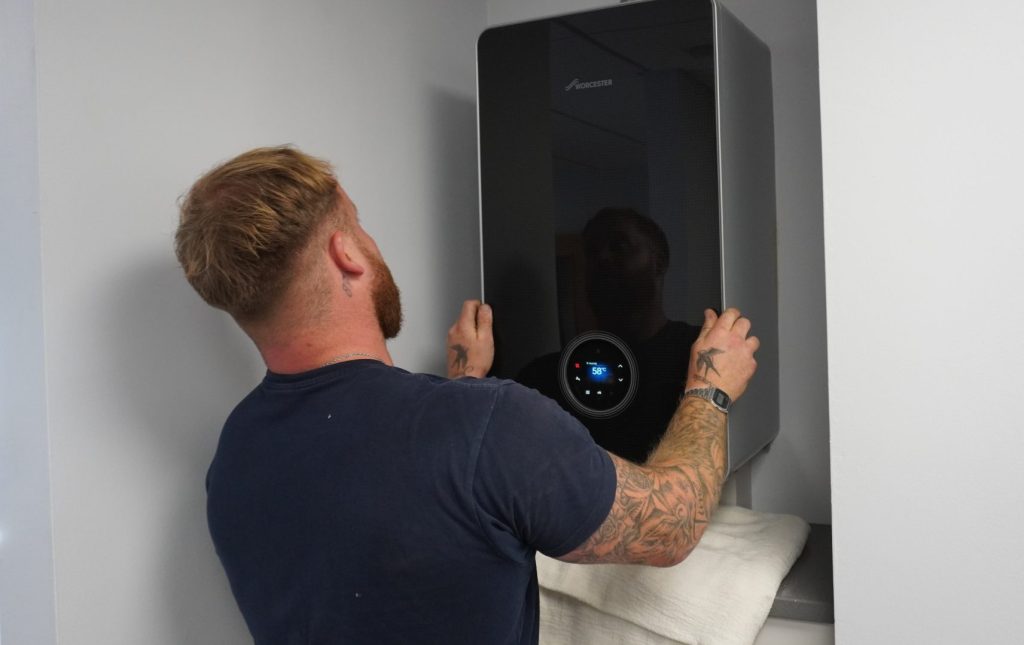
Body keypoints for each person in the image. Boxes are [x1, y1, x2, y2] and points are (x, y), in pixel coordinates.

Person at [175, 146, 759, 645]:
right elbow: (673, 524)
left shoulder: (234, 458)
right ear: (344, 253)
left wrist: (463, 390)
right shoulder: (489, 424)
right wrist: (711, 387)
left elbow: (406, 516)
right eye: (358, 225)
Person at [517, 207, 702, 462]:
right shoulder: (541, 378)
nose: (602, 258)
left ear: (658, 262)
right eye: (592, 253)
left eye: (619, 246)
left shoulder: (700, 355)